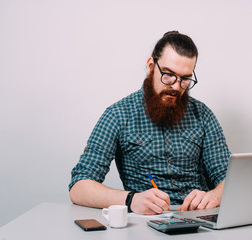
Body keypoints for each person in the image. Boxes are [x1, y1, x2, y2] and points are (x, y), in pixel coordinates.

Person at [69, 31, 231, 215]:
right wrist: (131, 200)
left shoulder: (202, 115)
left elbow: (230, 178)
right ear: (151, 66)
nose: (177, 87)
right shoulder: (118, 114)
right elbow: (79, 186)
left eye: (185, 79)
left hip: (200, 221)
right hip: (146, 223)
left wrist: (215, 196)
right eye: (168, 75)